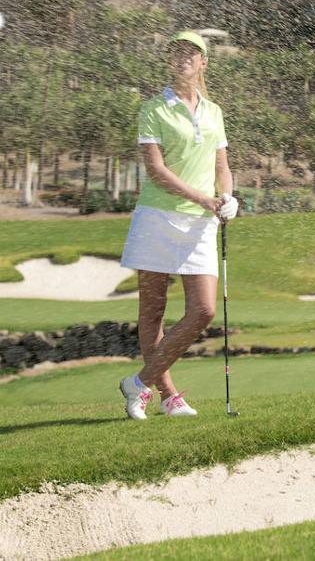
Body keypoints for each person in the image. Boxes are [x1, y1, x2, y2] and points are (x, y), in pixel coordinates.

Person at [117, 30, 239, 419]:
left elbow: (221, 166)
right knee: (152, 312)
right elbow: (155, 170)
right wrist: (203, 198)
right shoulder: (153, 108)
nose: (184, 57)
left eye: (193, 53)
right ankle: (169, 396)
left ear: (204, 62)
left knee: (203, 310)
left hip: (200, 224)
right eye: (178, 52)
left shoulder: (214, 112)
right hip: (157, 217)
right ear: (170, 61)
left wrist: (228, 197)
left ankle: (137, 384)